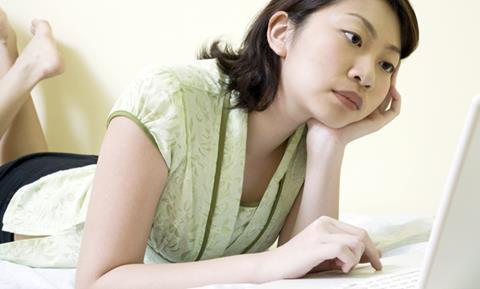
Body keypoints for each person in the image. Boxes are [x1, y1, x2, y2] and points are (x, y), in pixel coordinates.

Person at [0, 0, 419, 288]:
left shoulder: (307, 136)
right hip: (26, 201)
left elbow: (309, 266)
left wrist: (331, 145)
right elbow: (97, 280)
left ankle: (20, 62)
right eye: (353, 38)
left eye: (387, 63)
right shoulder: (168, 94)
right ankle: (23, 69)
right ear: (281, 31)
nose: (368, 74)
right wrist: (263, 265)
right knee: (20, 168)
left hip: (103, 177)